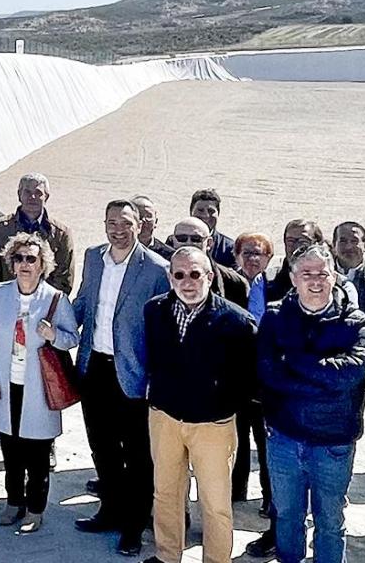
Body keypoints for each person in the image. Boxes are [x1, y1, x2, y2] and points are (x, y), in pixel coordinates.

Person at [254, 244, 365, 563]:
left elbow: (349, 376)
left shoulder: (356, 321)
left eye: (322, 273)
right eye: (306, 273)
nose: (315, 281)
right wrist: (321, 375)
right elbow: (268, 374)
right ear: (293, 278)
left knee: (330, 522)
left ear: (334, 276)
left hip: (333, 443)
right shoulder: (275, 317)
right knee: (288, 517)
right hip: (284, 438)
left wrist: (294, 361)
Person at [144, 247, 258, 563]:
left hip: (213, 425)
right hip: (165, 417)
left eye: (195, 274)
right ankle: (167, 556)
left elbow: (249, 378)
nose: (187, 281)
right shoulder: (154, 311)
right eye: (179, 274)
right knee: (165, 494)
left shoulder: (236, 321)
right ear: (170, 277)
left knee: (215, 502)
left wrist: (220, 402)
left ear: (209, 276)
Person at [72, 199, 170, 556]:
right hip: (94, 365)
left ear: (140, 224)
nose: (118, 229)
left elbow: (162, 329)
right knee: (102, 446)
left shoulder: (157, 268)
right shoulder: (92, 257)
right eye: (111, 221)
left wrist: (153, 377)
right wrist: (57, 324)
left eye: (125, 222)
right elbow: (83, 302)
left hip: (133, 373)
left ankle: (133, 526)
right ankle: (110, 511)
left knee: (138, 455)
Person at [0, 231, 80, 535]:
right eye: (19, 258)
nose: (25, 264)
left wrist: (54, 336)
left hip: (39, 388)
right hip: (6, 385)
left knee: (37, 455)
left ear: (42, 265)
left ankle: (35, 509)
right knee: (11, 451)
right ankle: (14, 503)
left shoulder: (55, 298)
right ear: (12, 263)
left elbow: (72, 337)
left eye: (31, 259)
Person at [231, 233, 275, 520]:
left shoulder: (278, 287)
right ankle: (236, 490)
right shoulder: (226, 283)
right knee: (235, 436)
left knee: (265, 439)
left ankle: (269, 496)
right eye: (247, 252)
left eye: (259, 253)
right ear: (236, 255)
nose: (252, 258)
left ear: (269, 258)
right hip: (234, 374)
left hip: (266, 376)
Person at [0, 173, 74, 293]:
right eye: (27, 192)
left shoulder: (61, 234)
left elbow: (64, 278)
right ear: (19, 195)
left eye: (38, 193)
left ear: (46, 197)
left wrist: (46, 302)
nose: (32, 197)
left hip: (45, 305)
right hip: (7, 300)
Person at [169, 218, 247, 307]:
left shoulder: (234, 284)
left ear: (209, 243)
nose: (188, 242)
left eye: (196, 239)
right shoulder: (159, 273)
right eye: (182, 238)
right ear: (173, 240)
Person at [188, 188, 238, 269]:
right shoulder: (176, 240)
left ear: (218, 214)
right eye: (200, 210)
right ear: (191, 212)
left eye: (211, 211)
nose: (206, 215)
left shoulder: (229, 248)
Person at [135, 194, 173, 260]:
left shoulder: (169, 255)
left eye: (148, 216)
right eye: (139, 215)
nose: (143, 220)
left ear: (156, 222)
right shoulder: (116, 251)